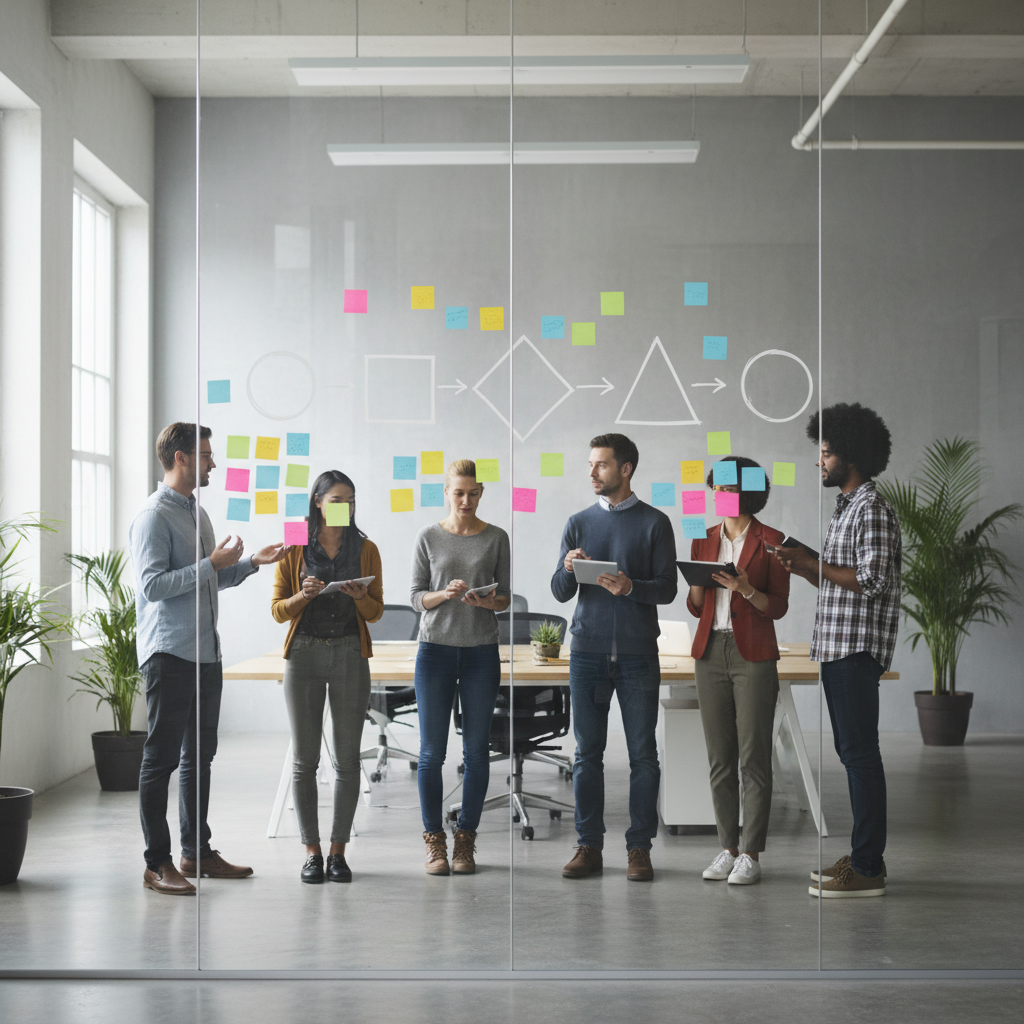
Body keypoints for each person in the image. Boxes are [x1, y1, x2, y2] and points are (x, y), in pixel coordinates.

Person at [130, 423, 286, 895]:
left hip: (205, 652)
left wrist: (250, 565)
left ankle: (196, 852)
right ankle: (157, 863)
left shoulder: (197, 514)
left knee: (200, 757)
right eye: (205, 454)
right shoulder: (154, 516)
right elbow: (153, 587)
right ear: (180, 458)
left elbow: (206, 581)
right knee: (161, 760)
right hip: (170, 652)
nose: (213, 462)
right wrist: (210, 565)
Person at [772, 403, 901, 898]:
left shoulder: (872, 508)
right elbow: (838, 579)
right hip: (836, 647)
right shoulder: (847, 507)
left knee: (860, 756)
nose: (818, 462)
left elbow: (872, 581)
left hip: (855, 650)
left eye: (825, 453)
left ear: (852, 455)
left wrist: (813, 563)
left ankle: (869, 868)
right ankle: (864, 855)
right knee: (853, 754)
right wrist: (804, 565)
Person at [551, 433, 677, 882]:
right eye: (590, 464)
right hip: (586, 653)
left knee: (644, 755)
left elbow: (667, 588)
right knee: (587, 755)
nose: (592, 472)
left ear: (625, 469)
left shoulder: (655, 523)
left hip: (639, 655)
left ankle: (639, 849)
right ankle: (588, 846)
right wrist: (567, 568)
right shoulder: (579, 522)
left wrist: (631, 588)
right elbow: (560, 592)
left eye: (601, 465)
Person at [270, 471, 384, 884]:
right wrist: (305, 594)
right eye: (337, 499)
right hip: (303, 654)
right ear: (317, 501)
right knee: (305, 759)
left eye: (351, 500)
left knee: (348, 758)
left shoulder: (366, 547)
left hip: (351, 652)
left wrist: (361, 597)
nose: (346, 507)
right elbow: (278, 609)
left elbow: (376, 612)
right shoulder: (294, 541)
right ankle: (311, 852)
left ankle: (338, 852)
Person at [686, 456, 790, 886]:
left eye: (726, 488)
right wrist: (696, 584)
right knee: (719, 758)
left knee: (753, 758)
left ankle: (751, 853)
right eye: (716, 488)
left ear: (747, 493)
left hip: (754, 655)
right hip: (710, 651)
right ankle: (727, 847)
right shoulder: (704, 538)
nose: (718, 496)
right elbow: (695, 606)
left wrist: (746, 588)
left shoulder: (773, 541)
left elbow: (778, 607)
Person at [410, 459, 511, 876]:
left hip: (480, 653)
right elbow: (416, 598)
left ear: (481, 493)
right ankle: (434, 841)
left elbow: (504, 599)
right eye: (458, 492)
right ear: (446, 493)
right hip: (434, 650)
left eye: (472, 492)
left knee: (476, 753)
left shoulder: (496, 538)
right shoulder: (428, 537)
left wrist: (485, 601)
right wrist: (444, 595)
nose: (465, 499)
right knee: (432, 753)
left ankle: (465, 841)